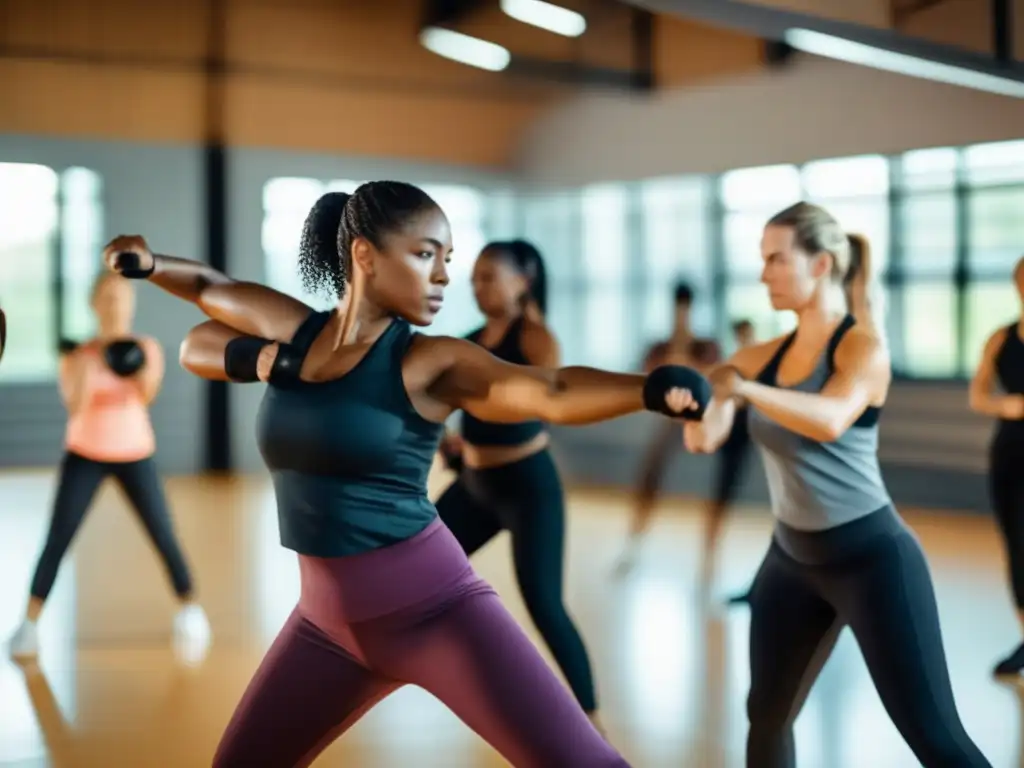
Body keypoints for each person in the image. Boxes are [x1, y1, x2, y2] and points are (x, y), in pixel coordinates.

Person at [100, 182, 707, 768]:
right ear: (364, 254)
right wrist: (151, 263)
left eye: (448, 259)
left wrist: (649, 389)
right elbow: (212, 288)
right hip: (323, 626)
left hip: (435, 612)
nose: (444, 277)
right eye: (426, 255)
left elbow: (548, 390)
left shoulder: (428, 361)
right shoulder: (296, 333)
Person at [680, 202, 990, 767]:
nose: (763, 273)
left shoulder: (861, 348)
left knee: (935, 738)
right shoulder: (755, 358)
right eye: (762, 259)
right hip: (790, 560)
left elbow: (828, 417)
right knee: (766, 718)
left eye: (776, 259)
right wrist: (700, 399)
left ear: (821, 264)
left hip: (872, 559)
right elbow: (704, 441)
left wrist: (743, 390)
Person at [433, 239, 603, 730]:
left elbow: (545, 396)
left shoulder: (535, 339)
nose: (476, 284)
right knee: (418, 564)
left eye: (490, 276)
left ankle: (593, 726)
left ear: (522, 282)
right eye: (475, 277)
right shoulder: (468, 341)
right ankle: (471, 675)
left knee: (545, 605)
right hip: (475, 484)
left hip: (528, 486)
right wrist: (448, 441)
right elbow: (437, 400)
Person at [7, 273, 209, 660]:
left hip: (135, 454)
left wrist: (130, 363)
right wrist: (90, 359)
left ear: (130, 303)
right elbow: (75, 405)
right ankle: (28, 626)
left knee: (163, 534)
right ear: (94, 303)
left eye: (121, 297)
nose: (115, 304)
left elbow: (147, 394)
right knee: (57, 538)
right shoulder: (77, 354)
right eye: (108, 297)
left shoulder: (146, 348)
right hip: (85, 453)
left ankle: (190, 610)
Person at [619, 282, 719, 568]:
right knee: (649, 475)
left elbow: (709, 378)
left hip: (703, 421)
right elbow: (649, 376)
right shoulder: (661, 346)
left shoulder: (705, 346)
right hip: (671, 423)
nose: (681, 314)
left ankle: (709, 554)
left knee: (716, 486)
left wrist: (682, 357)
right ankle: (633, 543)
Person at [969, 254, 1024, 677]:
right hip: (1010, 451)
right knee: (1017, 545)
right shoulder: (1000, 338)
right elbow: (978, 396)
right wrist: (1009, 404)